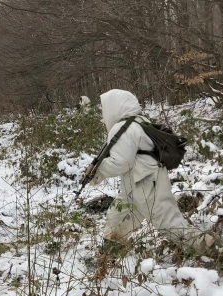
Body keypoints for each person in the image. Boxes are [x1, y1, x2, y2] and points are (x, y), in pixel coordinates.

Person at [89, 89, 214, 258]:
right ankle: (109, 257)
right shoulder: (140, 122)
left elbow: (122, 162)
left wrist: (98, 170)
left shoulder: (122, 127)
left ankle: (213, 249)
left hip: (146, 182)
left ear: (114, 106)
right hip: (137, 182)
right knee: (118, 216)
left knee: (168, 224)